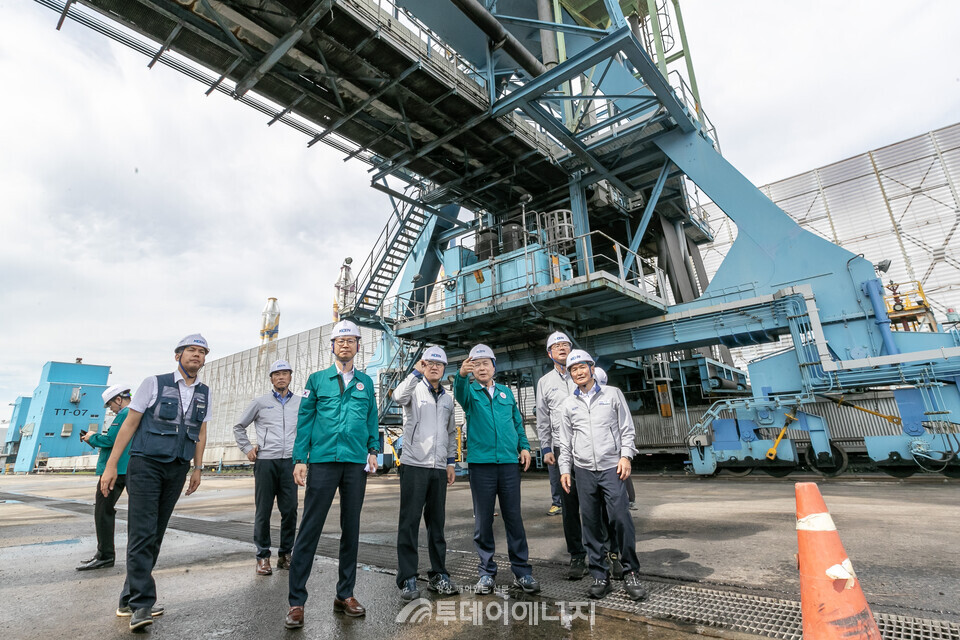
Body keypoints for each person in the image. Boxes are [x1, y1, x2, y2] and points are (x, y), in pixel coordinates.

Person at [100, 334, 213, 631]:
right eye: (191, 350)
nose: (197, 356)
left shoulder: (204, 392)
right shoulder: (154, 383)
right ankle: (142, 605)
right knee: (142, 533)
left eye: (202, 352)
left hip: (177, 467)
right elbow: (130, 423)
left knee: (156, 534)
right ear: (178, 355)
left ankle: (128, 599)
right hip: (146, 465)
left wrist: (198, 468)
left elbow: (200, 432)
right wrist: (111, 465)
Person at [285, 320, 379, 630]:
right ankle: (297, 602)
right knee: (310, 528)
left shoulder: (366, 382)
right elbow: (305, 421)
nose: (345, 345)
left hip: (355, 463)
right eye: (340, 341)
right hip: (323, 461)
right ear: (332, 346)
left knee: (350, 529)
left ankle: (345, 594)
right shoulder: (317, 380)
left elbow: (370, 419)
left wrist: (373, 450)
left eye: (351, 340)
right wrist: (301, 458)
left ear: (357, 346)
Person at [558, 350, 646, 601]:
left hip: (611, 467)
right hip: (583, 470)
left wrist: (625, 456)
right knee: (591, 524)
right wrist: (565, 470)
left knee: (620, 518)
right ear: (569, 373)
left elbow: (626, 429)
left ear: (592, 368)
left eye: (582, 367)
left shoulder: (613, 394)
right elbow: (565, 442)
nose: (578, 372)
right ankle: (600, 575)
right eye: (573, 369)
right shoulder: (568, 404)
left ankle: (630, 572)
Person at [454, 344, 540, 596]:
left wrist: (524, 447)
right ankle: (486, 573)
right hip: (482, 466)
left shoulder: (505, 393)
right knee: (483, 520)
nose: (482, 368)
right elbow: (459, 393)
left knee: (514, 518)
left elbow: (517, 422)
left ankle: (522, 572)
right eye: (476, 364)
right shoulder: (469, 392)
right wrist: (461, 376)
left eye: (486, 363)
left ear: (494, 367)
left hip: (509, 465)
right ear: (472, 368)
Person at [392, 345, 458, 601]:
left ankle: (438, 574)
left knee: (437, 524)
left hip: (439, 467)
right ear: (422, 364)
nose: (433, 367)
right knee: (409, 522)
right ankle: (407, 578)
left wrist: (451, 461)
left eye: (438, 364)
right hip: (414, 464)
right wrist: (414, 374)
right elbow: (397, 397)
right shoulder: (414, 388)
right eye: (428, 362)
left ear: (444, 369)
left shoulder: (447, 398)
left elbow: (451, 431)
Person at [234, 359, 302, 576]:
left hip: (290, 462)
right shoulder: (260, 402)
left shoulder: (300, 403)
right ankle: (263, 556)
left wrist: (304, 456)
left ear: (291, 377)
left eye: (285, 373)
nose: (281, 377)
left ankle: (285, 554)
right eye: (276, 374)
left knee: (290, 510)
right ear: (271, 379)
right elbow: (239, 427)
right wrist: (247, 448)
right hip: (265, 462)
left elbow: (308, 429)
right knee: (263, 510)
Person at [535, 331, 590, 580]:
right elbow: (543, 417)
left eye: (566, 344)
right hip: (561, 448)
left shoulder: (585, 375)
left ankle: (608, 554)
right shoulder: (545, 382)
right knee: (569, 506)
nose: (561, 348)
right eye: (556, 346)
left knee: (596, 503)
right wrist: (546, 449)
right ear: (549, 354)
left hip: (589, 446)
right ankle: (577, 555)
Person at [76, 384, 133, 571]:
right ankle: (106, 555)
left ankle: (105, 556)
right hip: (128, 469)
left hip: (115, 471)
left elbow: (111, 441)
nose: (111, 409)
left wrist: (91, 437)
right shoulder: (136, 413)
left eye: (110, 405)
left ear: (118, 399)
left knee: (102, 512)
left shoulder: (124, 414)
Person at [595, 367, 637, 511]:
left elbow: (625, 427)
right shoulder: (610, 394)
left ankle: (627, 500)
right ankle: (630, 499)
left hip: (610, 451)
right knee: (623, 475)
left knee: (620, 475)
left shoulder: (611, 394)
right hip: (613, 449)